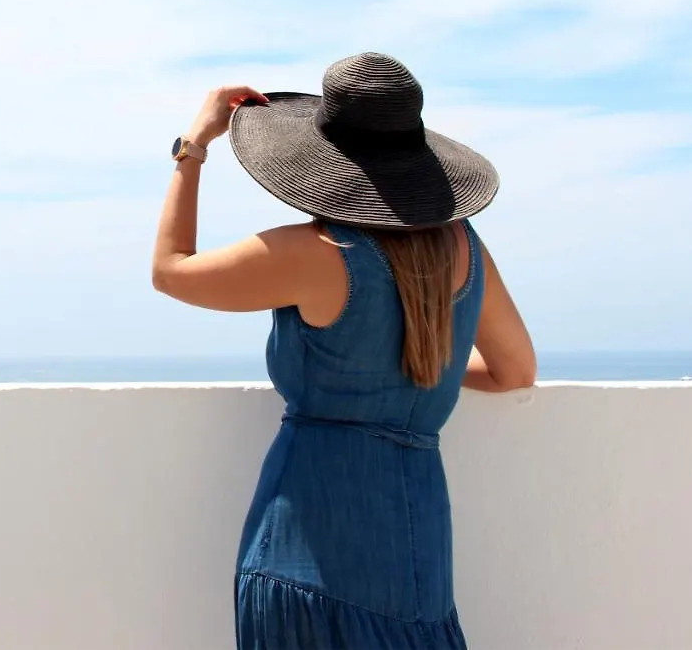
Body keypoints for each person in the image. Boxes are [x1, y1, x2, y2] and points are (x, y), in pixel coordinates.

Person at [151, 52, 536, 649]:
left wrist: (193, 146)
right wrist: (414, 365)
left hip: (306, 537)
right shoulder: (464, 248)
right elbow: (514, 371)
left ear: (325, 163)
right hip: (418, 550)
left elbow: (171, 271)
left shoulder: (315, 253)